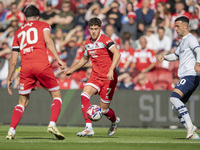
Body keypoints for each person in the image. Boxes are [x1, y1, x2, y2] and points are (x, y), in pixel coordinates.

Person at [6, 5, 66, 140]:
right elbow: (48, 40)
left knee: (22, 102)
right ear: (37, 16)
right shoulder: (43, 25)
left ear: (26, 17)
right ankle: (52, 124)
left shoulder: (18, 32)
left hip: (25, 67)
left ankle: (11, 130)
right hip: (41, 64)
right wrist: (58, 59)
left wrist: (9, 78)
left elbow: (13, 61)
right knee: (56, 95)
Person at [65, 17, 121, 137]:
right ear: (89, 29)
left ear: (100, 29)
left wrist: (111, 69)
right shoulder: (87, 43)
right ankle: (88, 128)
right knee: (84, 95)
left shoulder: (105, 40)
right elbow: (85, 59)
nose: (94, 31)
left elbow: (117, 53)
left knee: (104, 110)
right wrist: (71, 70)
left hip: (108, 78)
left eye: (96, 29)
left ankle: (115, 121)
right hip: (95, 76)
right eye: (91, 29)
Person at [157, 16, 200, 140]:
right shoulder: (183, 42)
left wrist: (198, 63)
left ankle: (190, 127)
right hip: (188, 76)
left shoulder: (191, 39)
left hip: (190, 75)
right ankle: (193, 134)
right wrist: (164, 57)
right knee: (175, 106)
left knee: (174, 98)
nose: (176, 29)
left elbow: (199, 51)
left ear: (185, 26)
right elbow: (175, 56)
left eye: (178, 26)